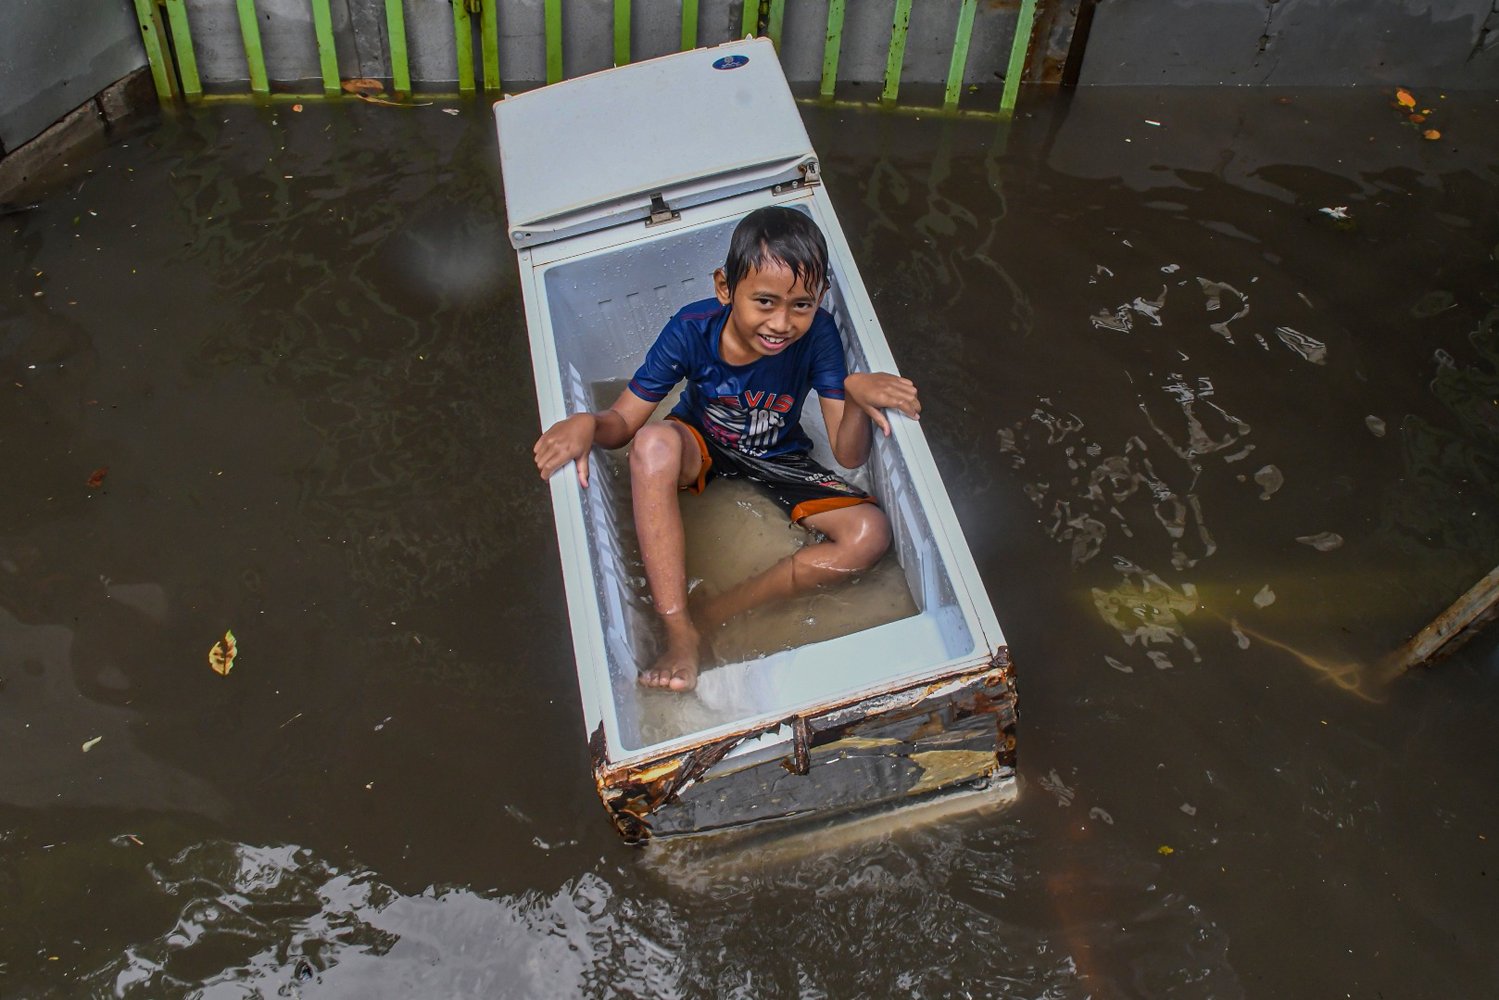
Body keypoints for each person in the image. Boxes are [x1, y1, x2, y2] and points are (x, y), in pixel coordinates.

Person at [532, 207, 920, 692]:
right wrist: (587, 423)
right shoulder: (691, 330)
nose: (781, 323)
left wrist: (857, 397)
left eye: (801, 304)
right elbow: (625, 423)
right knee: (653, 444)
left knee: (870, 534)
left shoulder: (819, 334)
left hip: (779, 455)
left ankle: (713, 615)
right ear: (724, 287)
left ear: (819, 299)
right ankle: (677, 631)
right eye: (764, 301)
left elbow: (848, 454)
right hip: (703, 442)